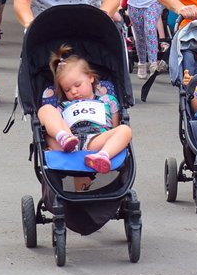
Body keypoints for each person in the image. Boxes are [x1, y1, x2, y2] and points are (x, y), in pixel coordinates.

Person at [38, 44, 132, 180]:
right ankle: (63, 136)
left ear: (91, 78)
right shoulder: (62, 105)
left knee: (125, 130)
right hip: (69, 142)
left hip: (96, 141)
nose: (74, 92)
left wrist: (112, 140)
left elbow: (114, 127)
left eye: (77, 85)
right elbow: (53, 123)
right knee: (46, 111)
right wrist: (60, 135)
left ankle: (103, 156)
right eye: (67, 90)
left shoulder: (107, 100)